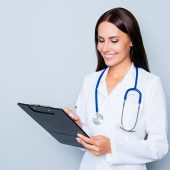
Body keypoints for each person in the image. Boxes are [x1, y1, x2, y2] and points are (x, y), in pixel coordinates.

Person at [64, 7, 168, 170]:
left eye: (114, 40)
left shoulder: (149, 83)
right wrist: (78, 127)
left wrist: (113, 148)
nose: (105, 48)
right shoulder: (90, 81)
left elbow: (159, 147)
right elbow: (85, 144)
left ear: (132, 41)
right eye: (101, 40)